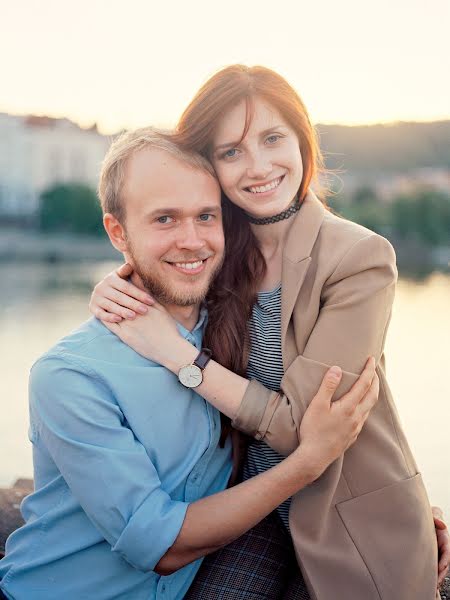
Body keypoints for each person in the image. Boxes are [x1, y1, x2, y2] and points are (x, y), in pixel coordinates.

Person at [90, 65, 450, 599]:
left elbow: (305, 429)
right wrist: (110, 287)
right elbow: (148, 256)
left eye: (272, 138)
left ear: (303, 139)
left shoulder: (359, 258)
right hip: (250, 505)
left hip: (344, 518)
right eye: (230, 151)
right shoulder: (215, 249)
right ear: (208, 165)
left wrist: (182, 360)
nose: (258, 166)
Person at [0, 129, 381, 600]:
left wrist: (388, 515)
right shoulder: (70, 376)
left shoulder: (240, 333)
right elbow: (159, 544)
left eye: (206, 216)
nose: (192, 240)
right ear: (117, 231)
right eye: (164, 219)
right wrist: (307, 464)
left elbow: (326, 414)